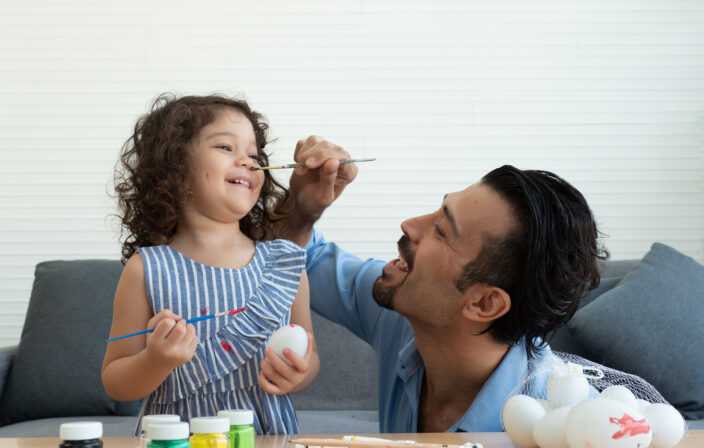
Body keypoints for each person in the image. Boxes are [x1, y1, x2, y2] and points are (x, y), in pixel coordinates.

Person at [269, 136, 608, 432]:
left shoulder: (561, 425)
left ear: (484, 304)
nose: (410, 225)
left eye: (442, 231)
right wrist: (300, 207)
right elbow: (298, 258)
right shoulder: (406, 315)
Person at [101, 94, 320, 435]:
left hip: (264, 436)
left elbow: (310, 354)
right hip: (176, 438)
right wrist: (156, 361)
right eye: (225, 147)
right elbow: (115, 380)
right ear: (174, 168)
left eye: (254, 154)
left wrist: (299, 373)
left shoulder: (285, 264)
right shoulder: (147, 269)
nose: (249, 162)